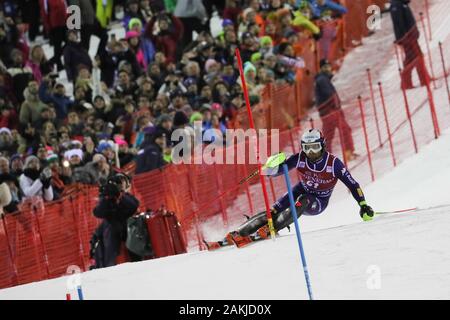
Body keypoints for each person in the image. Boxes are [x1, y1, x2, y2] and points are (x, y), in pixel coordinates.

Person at [205, 129, 374, 249]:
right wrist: (271, 164)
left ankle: (272, 229)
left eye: (315, 147)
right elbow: (276, 171)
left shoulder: (333, 164)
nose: (311, 152)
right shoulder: (300, 158)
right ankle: (238, 232)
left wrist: (363, 204)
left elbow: (353, 185)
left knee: (303, 201)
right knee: (273, 210)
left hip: (318, 201)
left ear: (322, 145)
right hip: (301, 189)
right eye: (307, 148)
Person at [92, 172, 141, 268]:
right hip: (112, 234)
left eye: (121, 181)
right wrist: (107, 198)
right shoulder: (108, 198)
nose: (119, 184)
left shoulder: (128, 197)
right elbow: (98, 212)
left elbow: (133, 206)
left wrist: (119, 196)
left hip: (130, 231)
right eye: (116, 182)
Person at [315, 59, 356, 162]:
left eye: (328, 66)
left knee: (328, 136)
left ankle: (325, 159)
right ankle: (348, 153)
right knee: (345, 130)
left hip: (326, 113)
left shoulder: (323, 79)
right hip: (331, 111)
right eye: (325, 67)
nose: (328, 68)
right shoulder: (322, 80)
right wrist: (336, 106)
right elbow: (329, 94)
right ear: (321, 69)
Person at [389, 0, 429, 89]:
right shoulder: (396, 4)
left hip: (410, 36)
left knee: (415, 57)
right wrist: (406, 36)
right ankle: (409, 83)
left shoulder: (403, 3)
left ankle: (423, 79)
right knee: (414, 58)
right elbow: (399, 23)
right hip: (406, 38)